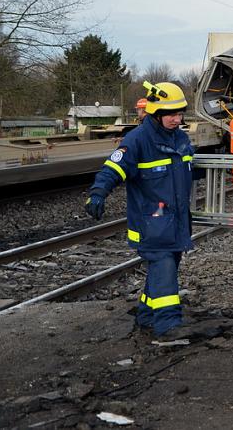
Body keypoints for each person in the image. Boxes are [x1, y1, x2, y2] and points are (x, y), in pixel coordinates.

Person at [84, 81, 198, 338]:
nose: (177, 119)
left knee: (164, 269)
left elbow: (187, 170)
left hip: (176, 223)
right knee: (164, 268)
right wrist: (98, 193)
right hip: (152, 225)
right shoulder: (137, 140)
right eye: (171, 114)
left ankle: (146, 314)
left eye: (180, 113)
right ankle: (168, 325)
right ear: (156, 113)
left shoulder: (180, 138)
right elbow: (112, 170)